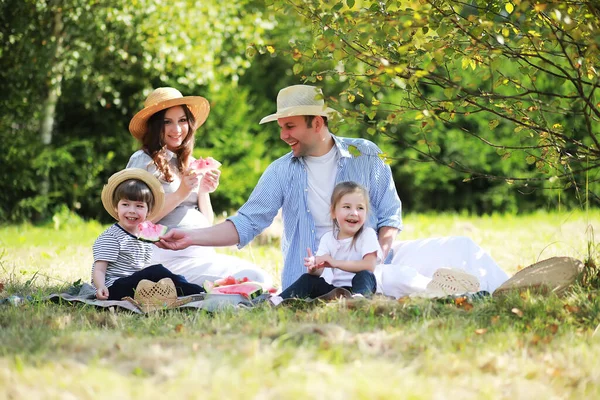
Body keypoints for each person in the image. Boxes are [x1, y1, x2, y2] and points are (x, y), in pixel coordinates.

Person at [157, 84, 509, 293]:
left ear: (318, 122)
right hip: (319, 273)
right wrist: (190, 238)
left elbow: (389, 215)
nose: (283, 136)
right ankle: (430, 292)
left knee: (460, 247)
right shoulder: (281, 170)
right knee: (403, 282)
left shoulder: (365, 154)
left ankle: (510, 290)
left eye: (291, 126)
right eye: (281, 127)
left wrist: (374, 260)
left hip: (373, 258)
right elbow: (246, 223)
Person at [125, 87, 272, 287]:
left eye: (182, 120)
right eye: (167, 122)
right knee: (255, 280)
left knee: (259, 276)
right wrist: (181, 193)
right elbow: (134, 220)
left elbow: (206, 221)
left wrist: (203, 191)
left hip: (200, 252)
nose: (176, 129)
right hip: (164, 257)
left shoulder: (187, 161)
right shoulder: (142, 160)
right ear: (154, 126)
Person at [92, 168, 204, 300]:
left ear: (148, 211)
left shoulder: (143, 237)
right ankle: (196, 291)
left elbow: (142, 268)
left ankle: (184, 287)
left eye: (139, 206)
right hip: (112, 288)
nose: (132, 211)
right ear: (116, 207)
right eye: (125, 205)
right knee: (156, 271)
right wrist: (100, 287)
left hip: (137, 286)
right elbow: (99, 269)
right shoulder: (111, 237)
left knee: (165, 276)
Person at [277, 182, 381, 300]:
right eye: (347, 207)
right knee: (308, 279)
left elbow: (369, 265)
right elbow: (320, 269)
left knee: (365, 275)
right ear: (333, 212)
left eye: (360, 208)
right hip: (336, 291)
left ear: (366, 213)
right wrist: (314, 267)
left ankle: (358, 300)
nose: (354, 213)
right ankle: (277, 300)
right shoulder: (328, 238)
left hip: (360, 288)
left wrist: (335, 262)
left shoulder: (367, 234)